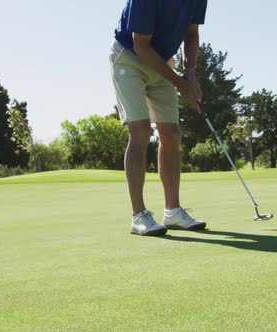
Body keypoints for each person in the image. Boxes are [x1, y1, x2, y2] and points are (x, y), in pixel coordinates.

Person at [109, 0, 208, 236]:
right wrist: (180, 84)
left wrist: (190, 72)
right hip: (129, 58)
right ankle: (138, 215)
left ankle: (173, 211)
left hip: (162, 61)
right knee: (141, 131)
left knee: (171, 134)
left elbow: (192, 33)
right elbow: (141, 45)